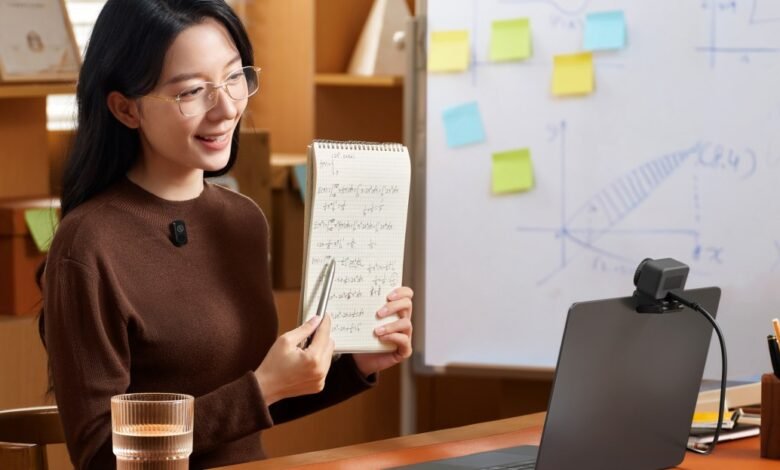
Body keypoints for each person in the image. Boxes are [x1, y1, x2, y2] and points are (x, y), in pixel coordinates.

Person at [38, 1, 414, 468]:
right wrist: (266, 386)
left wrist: (352, 367)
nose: (227, 108)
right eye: (192, 91)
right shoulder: (87, 246)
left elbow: (250, 404)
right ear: (125, 108)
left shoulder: (243, 220)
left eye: (236, 77)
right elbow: (99, 455)